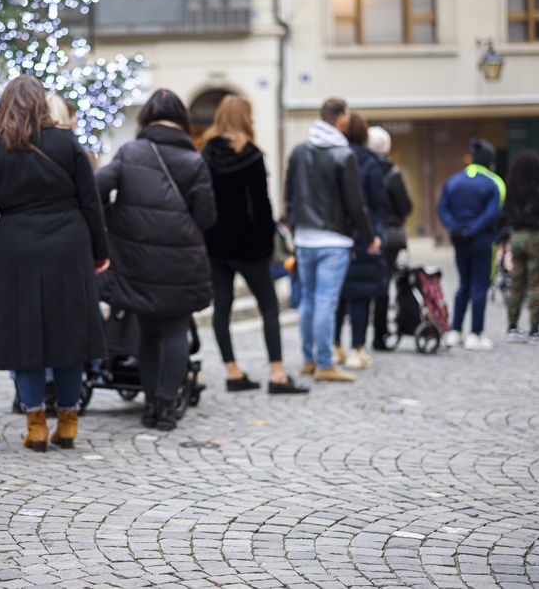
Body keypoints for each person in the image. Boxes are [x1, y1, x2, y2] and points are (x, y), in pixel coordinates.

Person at [0, 75, 108, 450]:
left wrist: (6, 239)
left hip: (17, 249)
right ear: (42, 105)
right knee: (71, 332)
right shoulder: (66, 142)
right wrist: (100, 252)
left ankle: (35, 424)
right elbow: (90, 202)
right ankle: (68, 422)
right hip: (70, 245)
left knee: (25, 335)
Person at [96, 89, 216, 430]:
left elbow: (96, 189)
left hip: (137, 260)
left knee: (147, 332)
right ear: (182, 120)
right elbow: (206, 217)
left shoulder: (130, 152)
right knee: (176, 330)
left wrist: (116, 218)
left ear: (146, 117)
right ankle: (166, 406)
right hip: (182, 259)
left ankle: (149, 405)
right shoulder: (195, 161)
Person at [201, 95, 307, 395]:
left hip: (216, 245)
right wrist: (265, 245)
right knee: (269, 307)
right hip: (249, 247)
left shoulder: (206, 153)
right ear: (246, 117)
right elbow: (262, 206)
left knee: (221, 308)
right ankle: (277, 374)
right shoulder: (251, 155)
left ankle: (232, 371)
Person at [284, 98, 378, 383]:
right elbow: (355, 203)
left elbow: (289, 196)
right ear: (341, 119)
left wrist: (294, 228)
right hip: (333, 239)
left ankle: (308, 360)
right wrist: (368, 236)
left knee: (309, 300)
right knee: (326, 300)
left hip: (304, 238)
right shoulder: (342, 153)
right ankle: (325, 363)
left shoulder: (299, 151)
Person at [437, 138, 505, 351]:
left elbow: (442, 209)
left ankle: (455, 331)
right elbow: (493, 212)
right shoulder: (494, 182)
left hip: (459, 241)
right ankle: (475, 334)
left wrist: (455, 228)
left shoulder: (454, 180)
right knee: (480, 286)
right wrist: (473, 229)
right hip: (482, 240)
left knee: (463, 285)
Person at [334, 114, 388, 369]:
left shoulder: (334, 156)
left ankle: (334, 347)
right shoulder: (369, 161)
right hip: (365, 235)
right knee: (361, 296)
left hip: (337, 232)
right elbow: (378, 200)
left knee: (338, 295)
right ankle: (357, 348)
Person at [500, 151, 539, 342]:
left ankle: (512, 326)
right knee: (537, 284)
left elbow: (504, 215)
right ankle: (534, 328)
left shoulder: (511, 192)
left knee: (516, 284)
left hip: (516, 238)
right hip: (537, 238)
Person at [368, 125, 413, 350]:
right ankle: (379, 332)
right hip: (389, 233)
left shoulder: (359, 167)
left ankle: (361, 332)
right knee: (384, 283)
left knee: (366, 281)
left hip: (366, 231)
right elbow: (405, 206)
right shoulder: (392, 173)